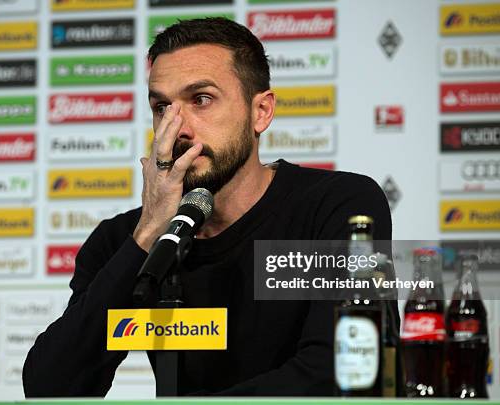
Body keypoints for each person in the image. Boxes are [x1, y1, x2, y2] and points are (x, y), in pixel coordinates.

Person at [23, 17, 397, 397]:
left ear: (261, 112)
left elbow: (341, 373)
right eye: (161, 107)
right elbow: (50, 388)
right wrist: (148, 234)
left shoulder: (338, 206)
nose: (177, 128)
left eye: (201, 99)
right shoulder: (124, 240)